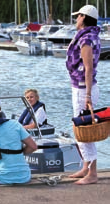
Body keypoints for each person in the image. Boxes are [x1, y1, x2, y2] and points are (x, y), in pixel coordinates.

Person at [66, 5, 101, 185]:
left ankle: (92, 173)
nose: (76, 19)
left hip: (83, 89)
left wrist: (87, 96)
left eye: (78, 16)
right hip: (82, 87)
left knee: (84, 130)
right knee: (82, 128)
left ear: (84, 17)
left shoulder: (86, 39)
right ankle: (85, 167)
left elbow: (88, 69)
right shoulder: (91, 35)